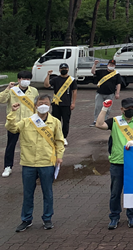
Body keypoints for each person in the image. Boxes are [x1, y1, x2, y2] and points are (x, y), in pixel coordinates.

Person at [7, 95, 64, 232]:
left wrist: (59, 157)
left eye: (46, 103)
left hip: (46, 162)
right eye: (40, 103)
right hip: (28, 162)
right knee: (27, 193)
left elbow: (59, 141)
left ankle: (47, 218)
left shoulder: (55, 122)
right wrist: (13, 112)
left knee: (47, 192)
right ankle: (26, 219)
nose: (43, 105)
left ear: (50, 105)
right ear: (35, 106)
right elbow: (12, 128)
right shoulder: (26, 121)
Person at [95, 98, 133, 230]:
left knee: (131, 191)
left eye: (132, 108)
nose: (130, 110)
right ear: (122, 109)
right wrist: (104, 109)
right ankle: (114, 217)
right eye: (127, 108)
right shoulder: (115, 121)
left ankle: (132, 215)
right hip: (117, 162)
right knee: (115, 192)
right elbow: (99, 124)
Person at [0, 71, 39, 177]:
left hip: (29, 123)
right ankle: (8, 167)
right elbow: (2, 100)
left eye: (28, 79)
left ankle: (31, 166)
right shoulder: (12, 90)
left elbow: (37, 106)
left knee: (30, 145)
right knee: (11, 145)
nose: (26, 81)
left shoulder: (34, 91)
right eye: (24, 79)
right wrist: (8, 88)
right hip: (14, 123)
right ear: (18, 79)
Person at [44, 63, 78, 146]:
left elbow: (74, 91)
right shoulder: (55, 79)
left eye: (65, 68)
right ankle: (55, 136)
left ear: (68, 69)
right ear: (59, 70)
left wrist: (73, 103)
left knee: (66, 121)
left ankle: (64, 137)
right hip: (56, 104)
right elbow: (46, 85)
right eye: (62, 68)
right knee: (55, 121)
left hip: (66, 104)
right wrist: (48, 75)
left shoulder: (71, 80)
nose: (64, 70)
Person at [91, 59, 121, 126]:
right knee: (98, 107)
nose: (111, 66)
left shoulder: (116, 74)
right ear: (107, 65)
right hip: (100, 93)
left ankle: (104, 120)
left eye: (112, 65)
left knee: (107, 108)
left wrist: (117, 93)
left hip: (110, 94)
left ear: (114, 66)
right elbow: (93, 72)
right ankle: (96, 120)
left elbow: (118, 84)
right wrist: (95, 64)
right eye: (110, 65)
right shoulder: (102, 71)